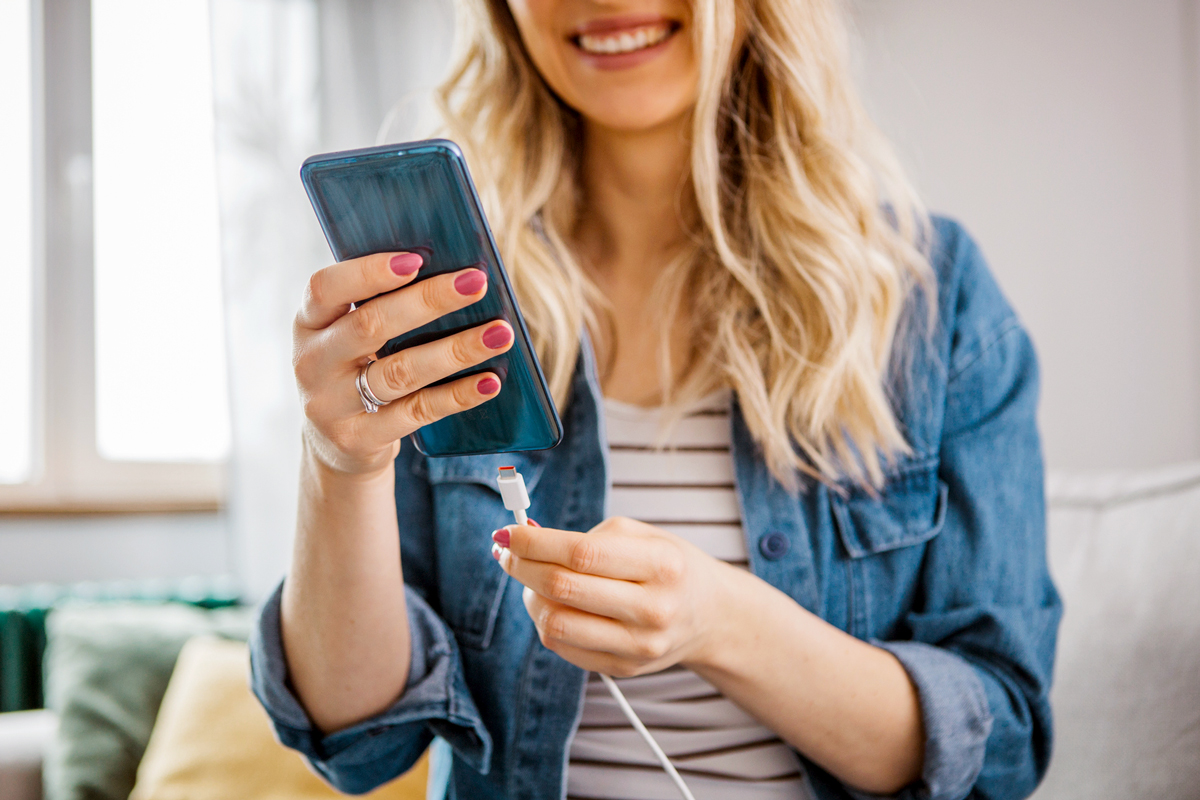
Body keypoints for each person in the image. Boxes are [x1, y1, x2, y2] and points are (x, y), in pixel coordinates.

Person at [250, 1, 1061, 799]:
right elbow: (360, 743)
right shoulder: (442, 303)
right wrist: (341, 464)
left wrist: (722, 622)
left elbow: (1002, 742)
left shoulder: (930, 300)